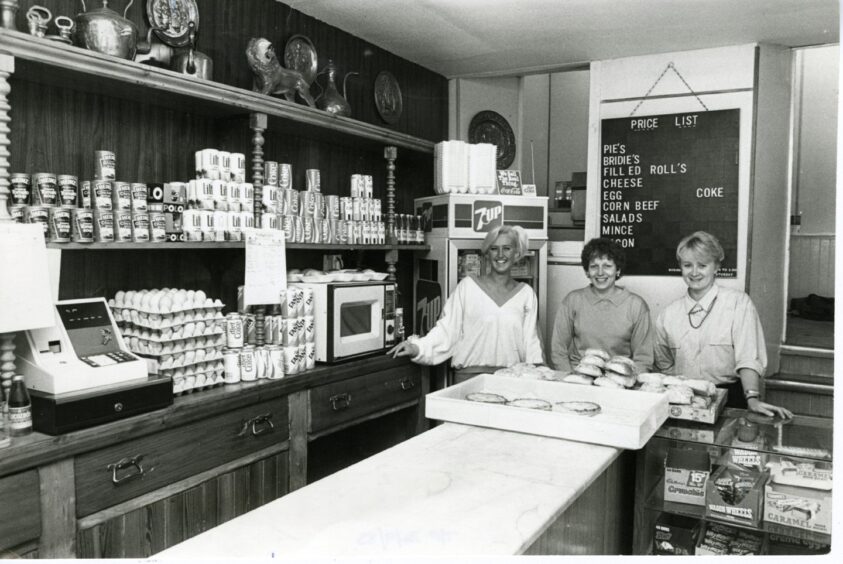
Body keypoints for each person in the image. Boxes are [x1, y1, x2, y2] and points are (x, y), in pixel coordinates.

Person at [654, 231, 793, 419]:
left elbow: (748, 357)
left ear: (716, 267)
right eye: (688, 265)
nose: (694, 272)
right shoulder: (668, 314)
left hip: (731, 399)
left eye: (702, 265)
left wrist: (752, 398)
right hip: (683, 401)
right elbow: (664, 365)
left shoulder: (738, 304)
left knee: (729, 448)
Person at [387, 224, 543, 382]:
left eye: (507, 248)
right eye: (494, 248)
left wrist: (539, 376)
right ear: (487, 254)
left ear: (517, 254)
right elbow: (447, 331)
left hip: (511, 380)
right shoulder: (467, 287)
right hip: (469, 378)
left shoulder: (526, 294)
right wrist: (417, 348)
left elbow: (531, 343)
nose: (500, 254)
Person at [550, 238, 654, 374]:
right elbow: (558, 350)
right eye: (594, 266)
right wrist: (570, 379)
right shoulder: (572, 301)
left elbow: (643, 359)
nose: (600, 272)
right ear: (587, 271)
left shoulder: (636, 306)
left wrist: (627, 383)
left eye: (607, 266)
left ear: (618, 269)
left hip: (619, 382)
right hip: (579, 378)